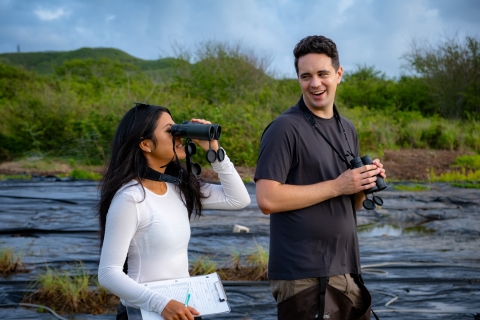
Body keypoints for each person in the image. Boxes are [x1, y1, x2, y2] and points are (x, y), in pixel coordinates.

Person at [254, 35, 386, 319]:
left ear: (339, 74)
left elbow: (350, 204)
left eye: (323, 74)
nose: (315, 83)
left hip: (347, 270)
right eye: (306, 76)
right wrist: (338, 185)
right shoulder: (284, 128)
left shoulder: (346, 128)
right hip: (304, 276)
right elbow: (266, 199)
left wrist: (364, 183)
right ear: (298, 78)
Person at [97, 103, 251, 320]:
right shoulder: (131, 198)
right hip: (146, 313)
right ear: (146, 144)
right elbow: (108, 274)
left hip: (180, 309)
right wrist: (162, 304)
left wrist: (214, 150)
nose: (179, 137)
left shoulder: (178, 187)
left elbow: (238, 199)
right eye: (170, 131)